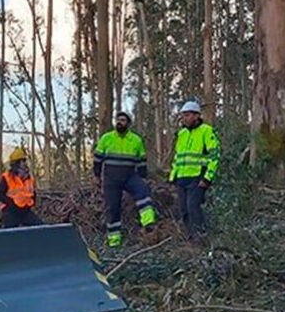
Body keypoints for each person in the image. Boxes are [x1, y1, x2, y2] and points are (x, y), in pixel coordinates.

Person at [93, 111, 157, 247]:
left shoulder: (136, 140)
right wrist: (97, 176)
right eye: (118, 120)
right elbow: (97, 159)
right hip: (111, 178)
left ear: (128, 124)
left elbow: (142, 161)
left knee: (143, 191)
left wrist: (143, 177)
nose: (119, 122)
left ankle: (148, 222)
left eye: (122, 120)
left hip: (130, 176)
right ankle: (114, 242)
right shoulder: (106, 138)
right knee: (112, 208)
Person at [169, 100, 220, 239]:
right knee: (183, 210)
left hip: (197, 178)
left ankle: (201, 236)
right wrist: (173, 176)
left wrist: (207, 178)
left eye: (188, 115)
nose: (185, 118)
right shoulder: (182, 134)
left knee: (193, 208)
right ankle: (190, 237)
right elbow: (178, 157)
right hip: (182, 179)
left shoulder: (206, 131)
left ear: (197, 116)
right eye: (183, 115)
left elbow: (214, 156)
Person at [0, 147, 42, 228]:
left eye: (25, 160)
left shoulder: (29, 178)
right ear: (17, 162)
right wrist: (12, 204)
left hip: (25, 211)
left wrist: (31, 203)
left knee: (40, 227)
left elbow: (33, 193)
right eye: (23, 160)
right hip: (10, 211)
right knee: (11, 233)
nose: (25, 163)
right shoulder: (7, 177)